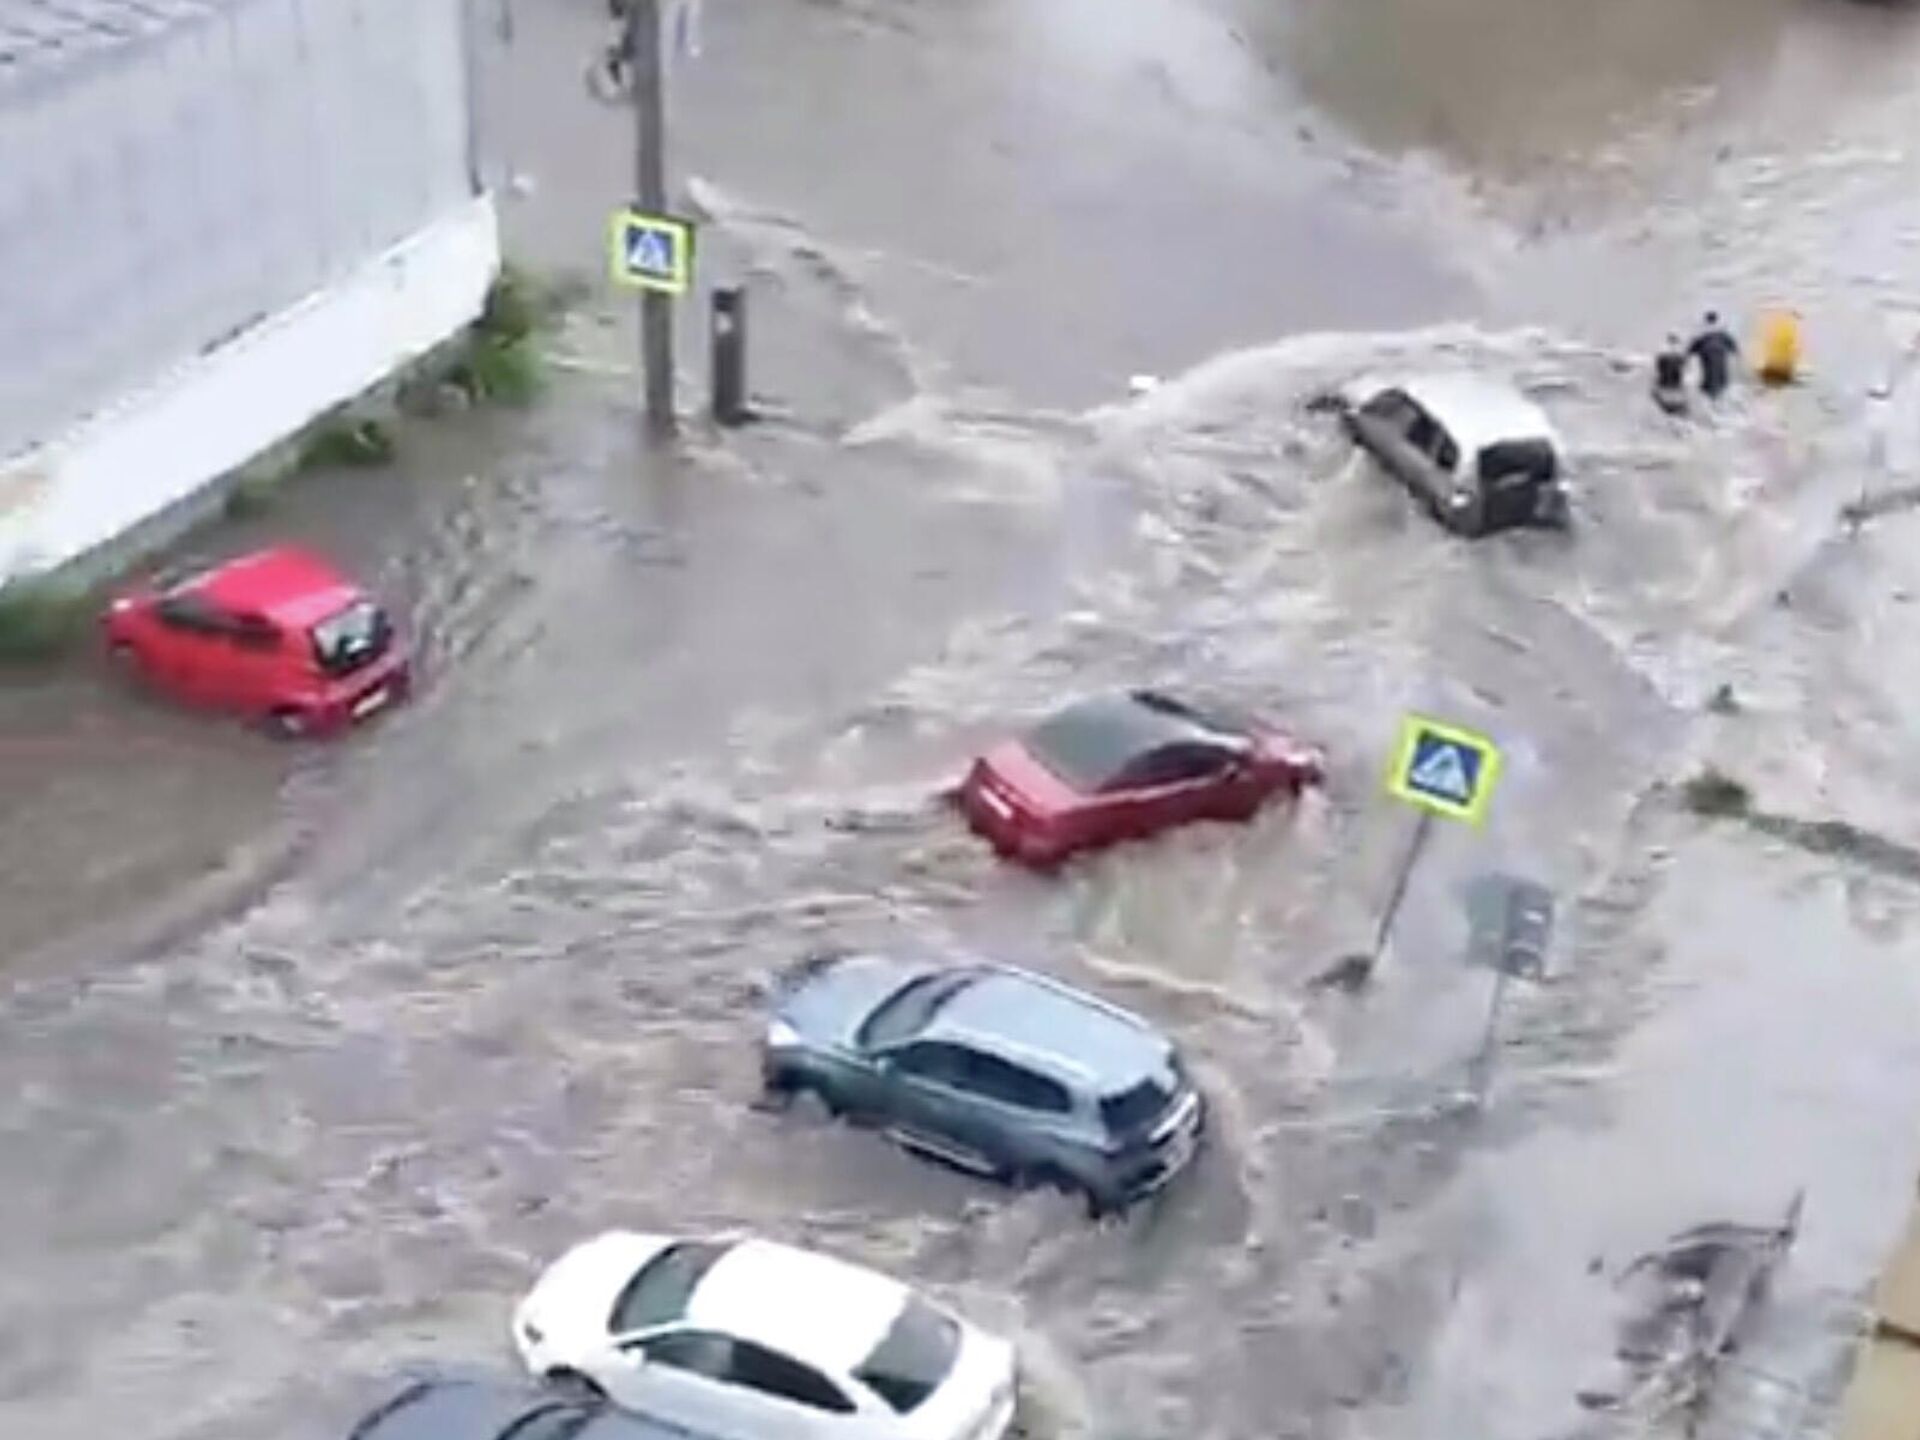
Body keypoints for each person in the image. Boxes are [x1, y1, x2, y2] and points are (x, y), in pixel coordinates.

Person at [1688, 311, 1740, 399]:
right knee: (1721, 370)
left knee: (1708, 371)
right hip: (1720, 350)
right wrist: (1736, 352)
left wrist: (1689, 354)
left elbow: (1694, 345)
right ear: (1716, 319)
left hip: (1706, 350)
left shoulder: (1703, 330)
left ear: (1706, 320)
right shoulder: (1721, 330)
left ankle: (1709, 391)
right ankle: (1721, 390)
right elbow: (1731, 343)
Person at [1653, 334, 1689, 415]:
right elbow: (1684, 371)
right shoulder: (1681, 353)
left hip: (1665, 386)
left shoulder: (1662, 352)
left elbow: (1658, 369)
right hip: (1676, 387)